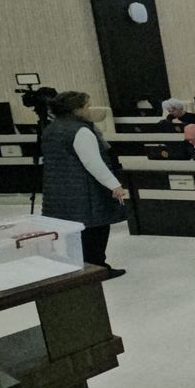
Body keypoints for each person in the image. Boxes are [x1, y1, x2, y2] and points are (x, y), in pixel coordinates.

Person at [40, 91, 127, 277]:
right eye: (87, 106)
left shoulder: (50, 129)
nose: (89, 110)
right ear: (76, 109)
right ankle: (97, 269)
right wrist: (114, 185)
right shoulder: (81, 130)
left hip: (60, 191)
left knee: (73, 234)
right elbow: (93, 163)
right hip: (85, 191)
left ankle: (79, 267)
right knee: (95, 231)